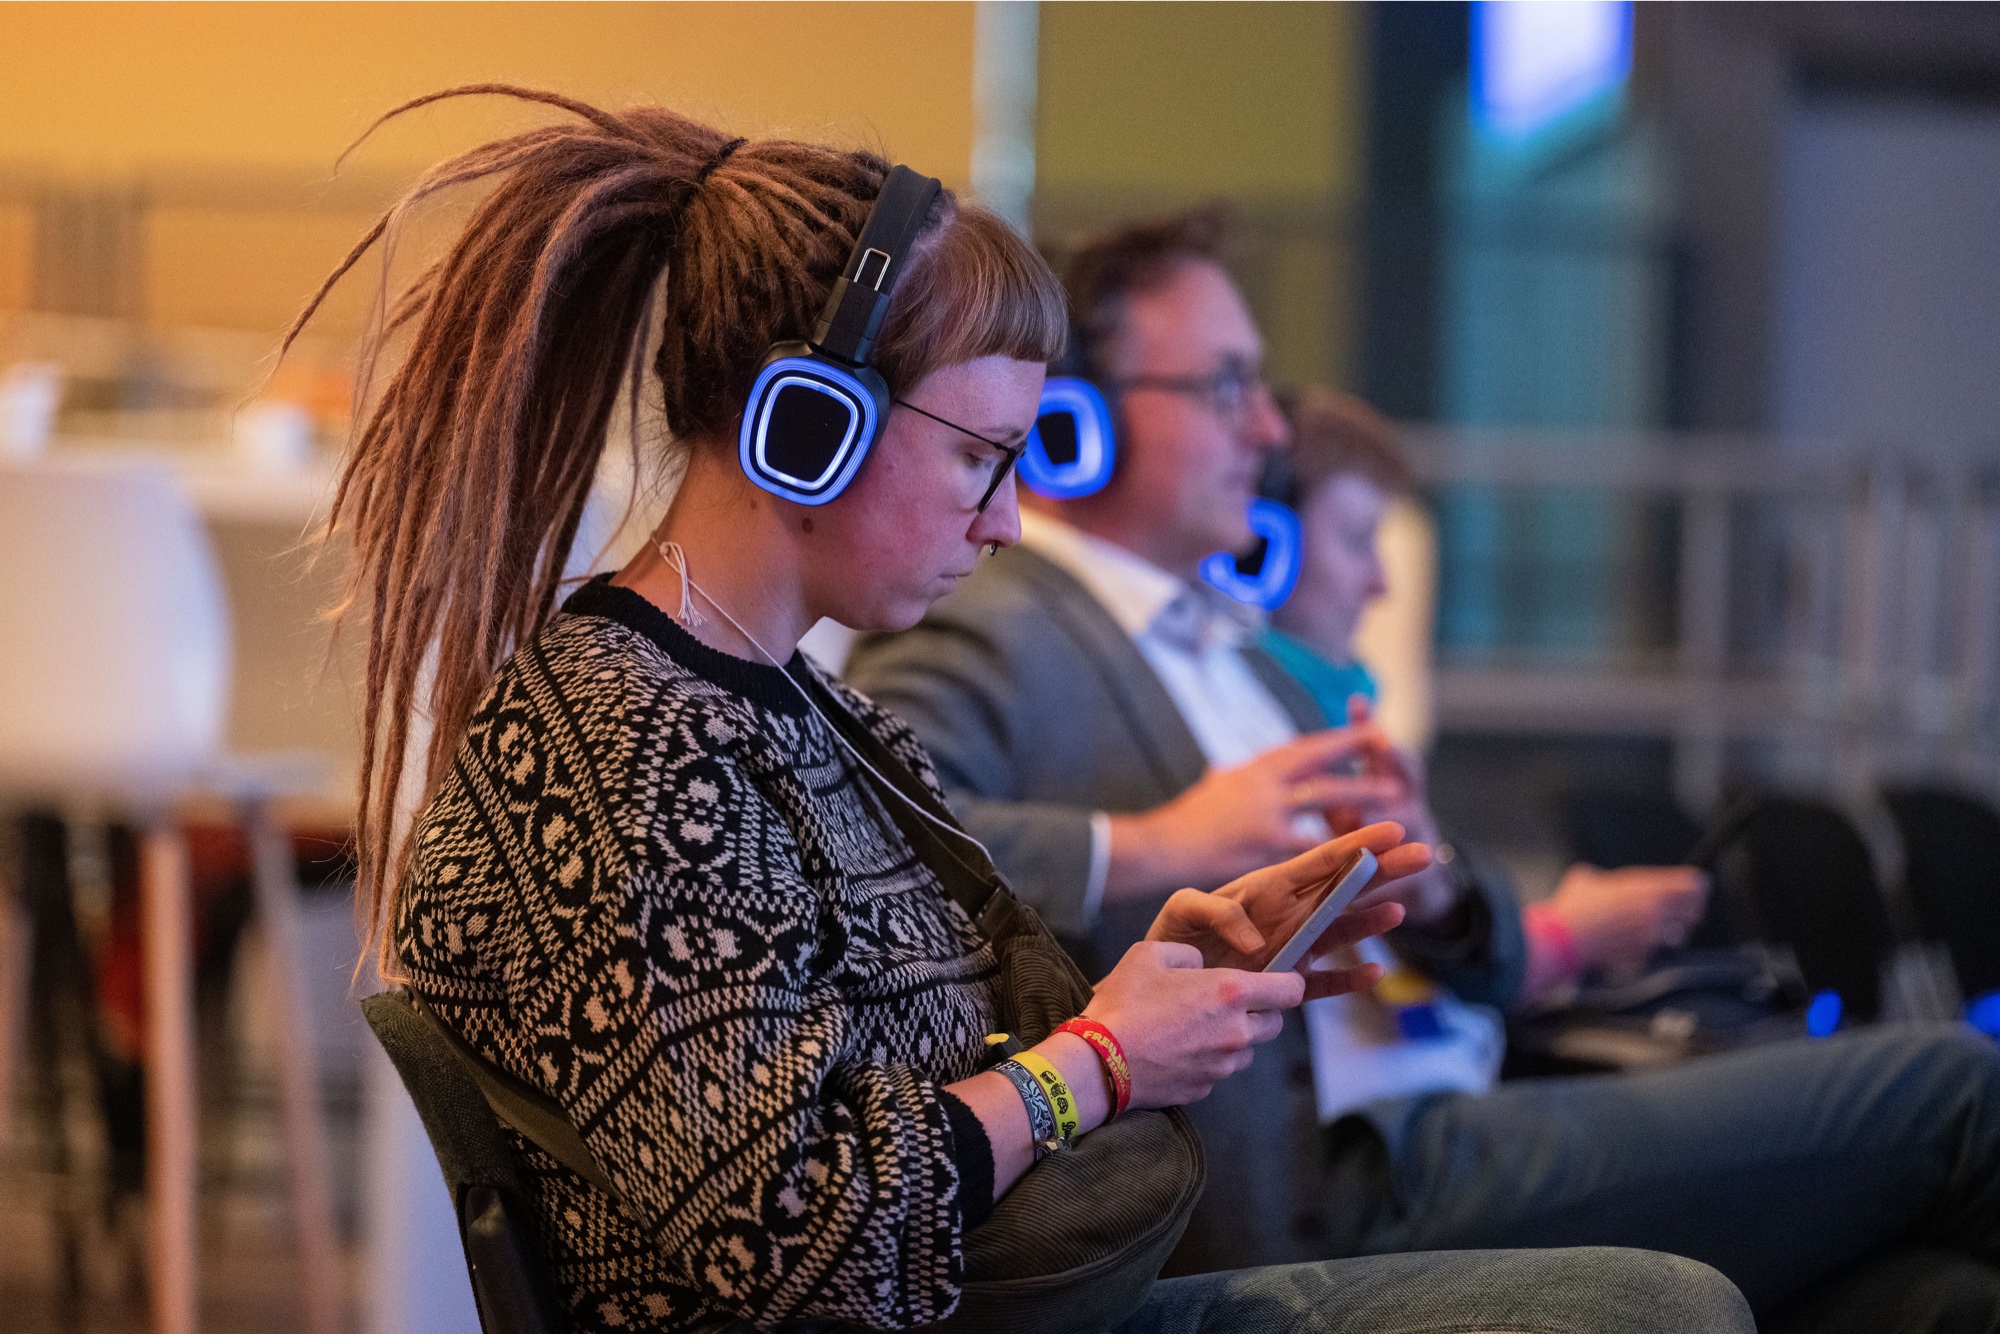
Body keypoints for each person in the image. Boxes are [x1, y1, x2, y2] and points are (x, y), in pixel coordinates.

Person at [295, 89, 1750, 1334]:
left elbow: (912, 1080)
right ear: (810, 424)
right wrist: (1101, 1061)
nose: (1004, 520)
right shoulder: (625, 746)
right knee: (1671, 1307)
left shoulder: (796, 705)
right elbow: (803, 1233)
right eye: (984, 456)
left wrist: (1176, 962)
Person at [844, 205, 2000, 1331]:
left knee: (1938, 1295)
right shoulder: (1000, 619)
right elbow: (883, 848)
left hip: (1453, 1097)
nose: (1265, 431)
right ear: (1073, 422)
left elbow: (1478, 939)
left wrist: (1438, 890)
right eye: (1226, 387)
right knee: (1957, 1089)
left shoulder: (1240, 646)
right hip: (1346, 1177)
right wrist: (1165, 842)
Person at [1262, 384, 1709, 1011]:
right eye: (1358, 539)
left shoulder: (1331, 724)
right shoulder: (1257, 752)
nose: (1381, 583)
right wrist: (1566, 937)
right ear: (1261, 547)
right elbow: (1373, 990)